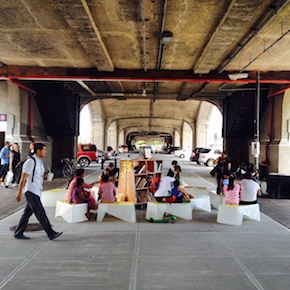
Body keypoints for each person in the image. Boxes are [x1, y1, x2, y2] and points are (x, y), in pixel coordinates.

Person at [14, 143, 62, 240]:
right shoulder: (30, 162)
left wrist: (45, 176)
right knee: (41, 213)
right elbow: (23, 179)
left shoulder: (39, 162)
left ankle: (18, 232)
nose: (46, 151)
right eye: (44, 150)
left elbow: (36, 175)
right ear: (38, 151)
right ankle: (51, 233)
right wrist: (19, 193)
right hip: (31, 192)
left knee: (27, 213)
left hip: (37, 191)